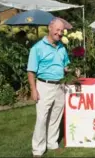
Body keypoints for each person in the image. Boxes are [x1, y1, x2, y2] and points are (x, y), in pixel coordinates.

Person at [27, 18, 71, 157]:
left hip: (60, 85)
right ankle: (38, 149)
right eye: (57, 30)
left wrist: (72, 69)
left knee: (56, 116)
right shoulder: (37, 48)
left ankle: (52, 143)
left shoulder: (62, 47)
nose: (60, 33)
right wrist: (33, 89)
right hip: (44, 85)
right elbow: (31, 71)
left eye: (62, 31)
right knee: (42, 118)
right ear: (50, 28)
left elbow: (65, 65)